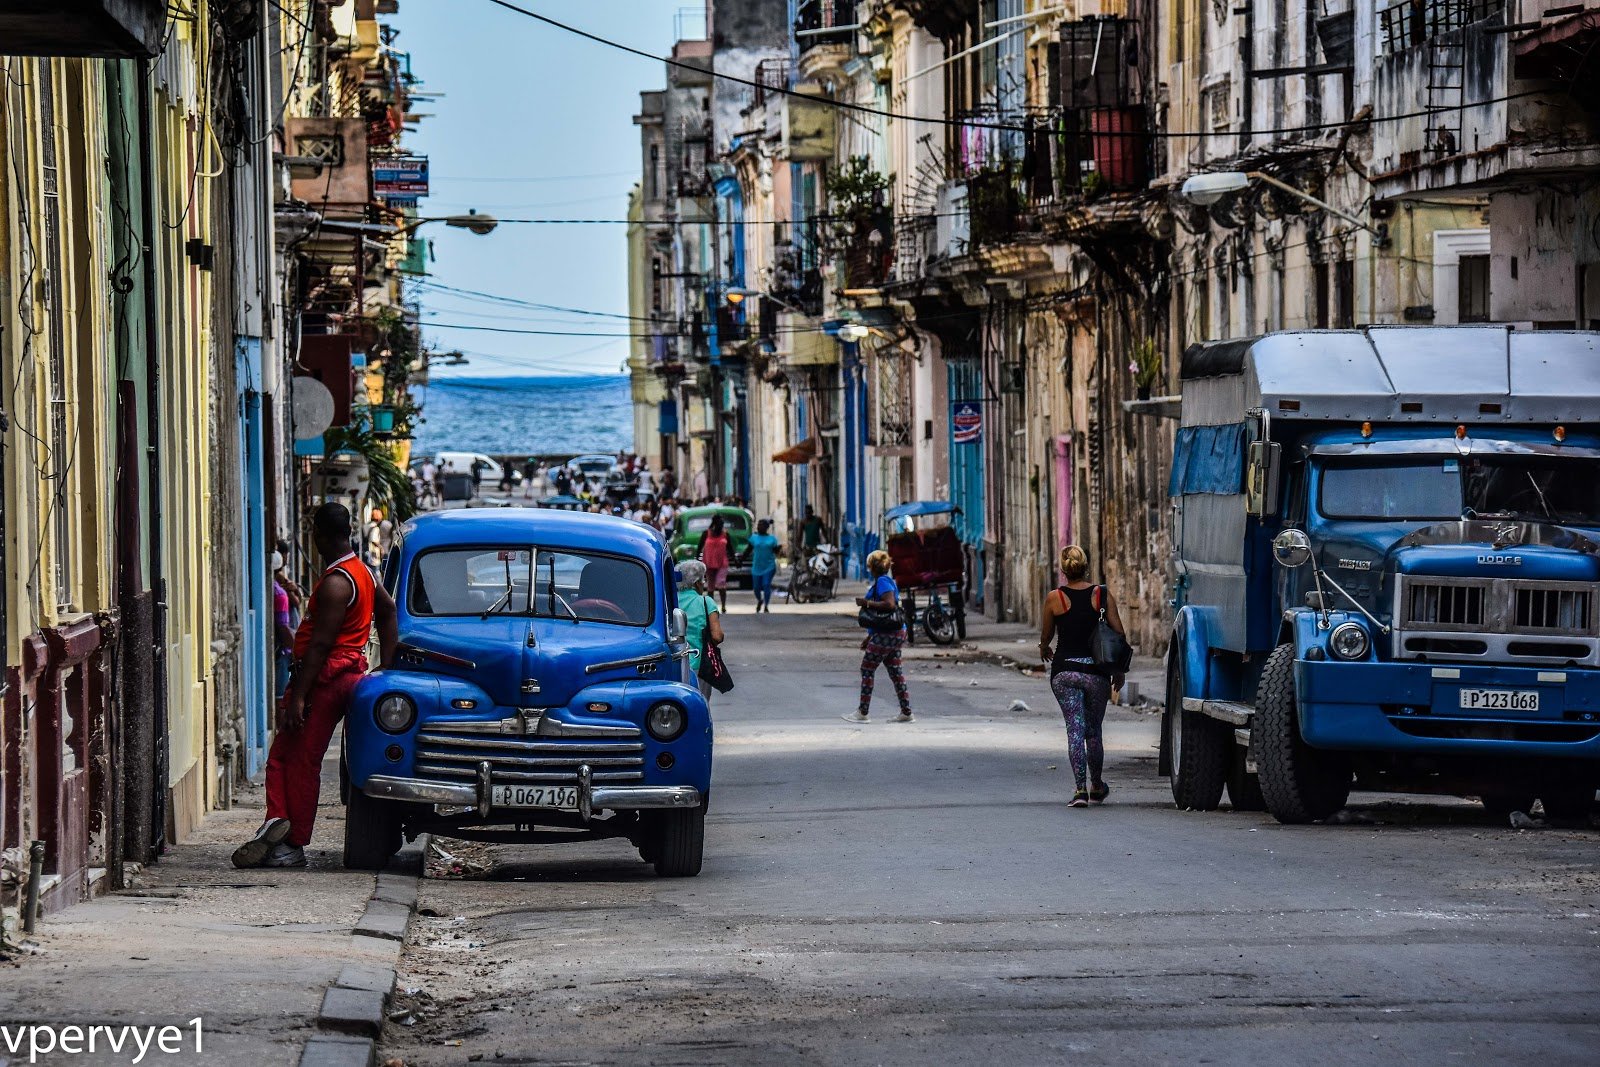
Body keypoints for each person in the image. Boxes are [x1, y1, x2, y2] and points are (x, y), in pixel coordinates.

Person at [233, 503, 398, 868]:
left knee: (293, 759)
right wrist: (385, 667)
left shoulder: (337, 583)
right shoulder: (365, 574)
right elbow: (387, 613)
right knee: (293, 758)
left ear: (320, 535)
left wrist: (299, 699)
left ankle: (289, 839)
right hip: (350, 672)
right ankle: (279, 828)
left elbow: (321, 645)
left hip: (324, 679)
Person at [1038, 545, 1126, 808]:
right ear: (1086, 566)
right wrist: (1119, 671)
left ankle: (1079, 791)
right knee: (1093, 731)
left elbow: (1046, 636)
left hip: (1065, 673)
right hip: (1095, 675)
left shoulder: (1055, 598)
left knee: (1074, 730)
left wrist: (1044, 649)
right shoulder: (1101, 595)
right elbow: (1118, 634)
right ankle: (1096, 784)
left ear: (1063, 570)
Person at [843, 550, 915, 724]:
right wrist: (869, 638)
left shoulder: (882, 582)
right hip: (892, 633)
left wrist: (867, 603)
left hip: (887, 634)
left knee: (867, 669)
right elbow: (881, 617)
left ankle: (863, 712)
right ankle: (906, 712)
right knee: (895, 672)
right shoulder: (884, 581)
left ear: (872, 567)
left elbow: (889, 605)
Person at [675, 560, 724, 703]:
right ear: (697, 583)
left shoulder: (670, 601)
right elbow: (717, 636)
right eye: (703, 581)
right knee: (700, 705)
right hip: (699, 666)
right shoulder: (705, 602)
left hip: (674, 664)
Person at [271, 551, 295, 699]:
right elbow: (282, 626)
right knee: (281, 697)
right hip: (282, 651)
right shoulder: (279, 593)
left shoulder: (276, 589)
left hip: (279, 648)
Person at [699, 513, 731, 612]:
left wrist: (736, 560)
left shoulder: (725, 534)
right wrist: (697, 560)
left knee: (721, 584)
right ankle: (711, 607)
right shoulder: (706, 533)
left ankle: (723, 606)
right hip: (709, 562)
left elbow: (730, 548)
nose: (721, 526)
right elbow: (700, 547)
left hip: (722, 562)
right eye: (719, 524)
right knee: (710, 587)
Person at [748, 518, 779, 613]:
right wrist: (739, 561)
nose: (759, 527)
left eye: (761, 525)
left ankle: (766, 605)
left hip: (769, 566)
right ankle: (760, 600)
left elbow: (775, 551)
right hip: (757, 567)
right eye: (758, 525)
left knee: (766, 584)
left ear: (766, 527)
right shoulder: (753, 538)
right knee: (756, 588)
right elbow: (748, 550)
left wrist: (779, 549)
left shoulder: (772, 539)